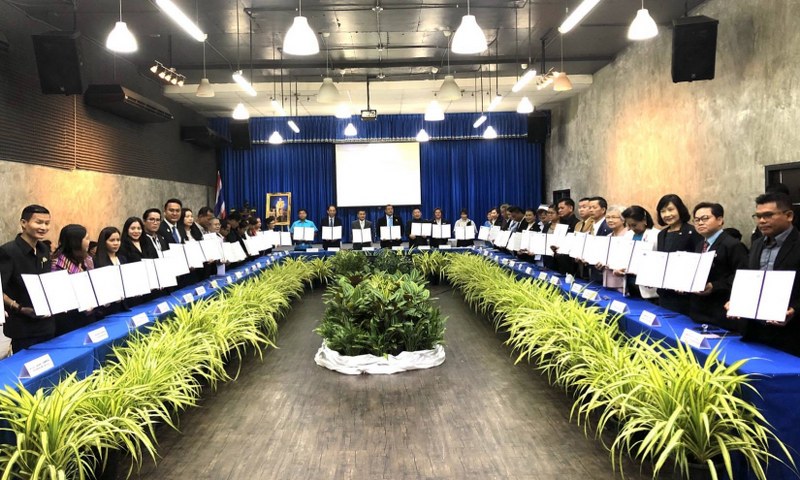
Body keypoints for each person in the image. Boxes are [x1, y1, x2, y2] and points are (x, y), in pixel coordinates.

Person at [735, 192, 800, 356]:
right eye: (758, 216)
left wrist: (795, 309)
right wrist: (736, 300)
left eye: (768, 215)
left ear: (789, 216)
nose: (762, 221)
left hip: (791, 332)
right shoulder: (757, 244)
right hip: (754, 329)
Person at [0, 205, 54, 352]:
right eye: (39, 222)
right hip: (23, 327)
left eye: (47, 223)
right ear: (24, 223)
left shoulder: (44, 249)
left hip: (47, 324)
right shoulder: (8, 251)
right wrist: (19, 308)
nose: (43, 227)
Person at [688, 202, 748, 332]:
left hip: (720, 309)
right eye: (696, 220)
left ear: (720, 220)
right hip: (699, 309)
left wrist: (714, 286)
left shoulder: (733, 245)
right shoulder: (700, 245)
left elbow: (742, 277)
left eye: (705, 218)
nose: (700, 223)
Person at [655, 194, 702, 315]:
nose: (667, 214)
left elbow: (699, 262)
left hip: (684, 295)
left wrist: (686, 282)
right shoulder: (662, 234)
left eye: (671, 209)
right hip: (664, 292)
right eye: (663, 211)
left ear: (680, 209)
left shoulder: (693, 232)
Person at [51, 224, 94, 336]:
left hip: (89, 312)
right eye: (87, 238)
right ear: (76, 241)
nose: (89, 241)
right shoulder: (57, 264)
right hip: (68, 318)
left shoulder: (88, 259)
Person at [617, 205, 659, 300]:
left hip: (647, 285)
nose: (632, 228)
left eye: (634, 225)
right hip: (630, 281)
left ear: (644, 220)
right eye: (629, 225)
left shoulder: (656, 235)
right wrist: (618, 268)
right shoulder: (628, 235)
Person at [597, 205, 628, 293]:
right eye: (608, 217)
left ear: (623, 219)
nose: (610, 220)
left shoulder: (628, 236)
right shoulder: (608, 236)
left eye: (614, 217)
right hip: (607, 280)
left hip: (622, 282)